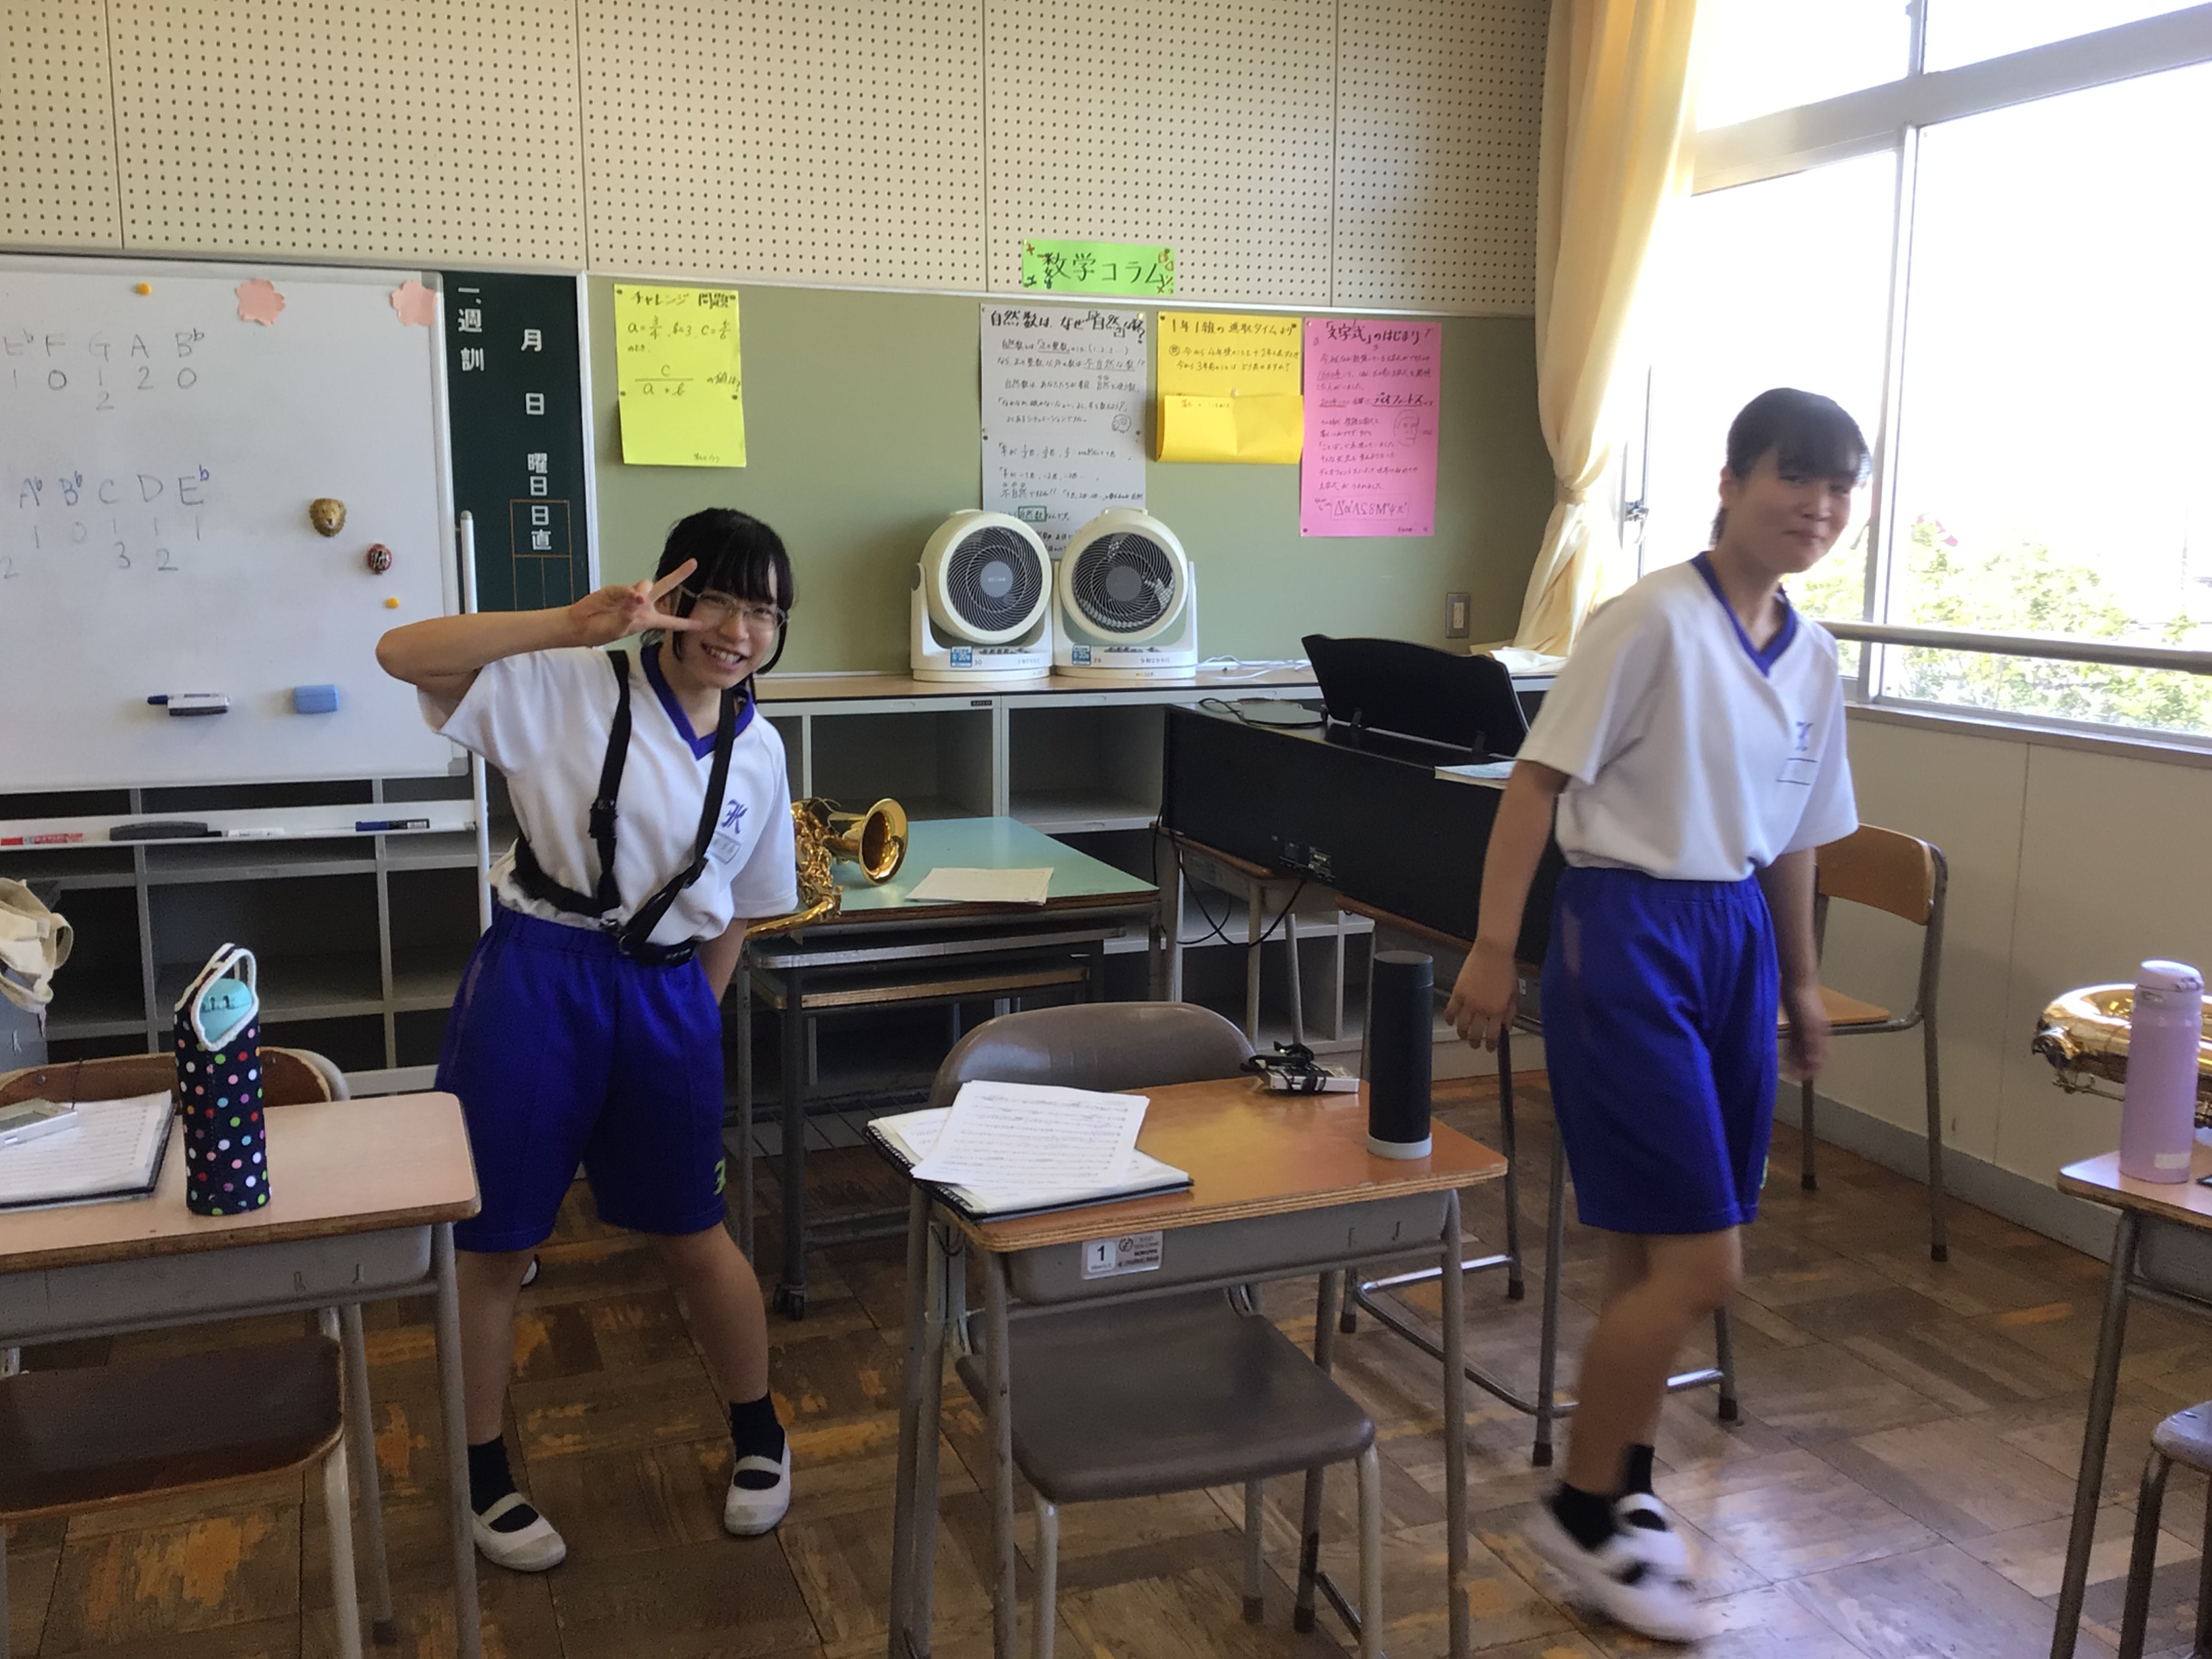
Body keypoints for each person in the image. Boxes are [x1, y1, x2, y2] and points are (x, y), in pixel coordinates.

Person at [1445, 388, 1866, 1643]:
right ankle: (1579, 1512)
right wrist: (1494, 947)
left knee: (1650, 1244)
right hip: (1627, 930)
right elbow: (1534, 785)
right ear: (1730, 484)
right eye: (1794, 477)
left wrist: (1799, 981)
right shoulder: (1649, 619)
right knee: (1704, 1264)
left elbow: (1797, 833)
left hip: (1734, 934)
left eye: (1840, 487)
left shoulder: (1813, 654)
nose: (1818, 506)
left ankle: (1625, 1487)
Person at [375, 508, 801, 1571]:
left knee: (694, 1230)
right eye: (716, 601)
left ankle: (761, 1432)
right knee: (495, 1243)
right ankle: (483, 1474)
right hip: (538, 977)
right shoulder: (567, 684)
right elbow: (399, 652)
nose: (737, 631)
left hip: (667, 995)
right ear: (670, 598)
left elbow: (742, 908)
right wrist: (570, 625)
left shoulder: (759, 748)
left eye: (763, 612)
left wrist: (692, 1017)